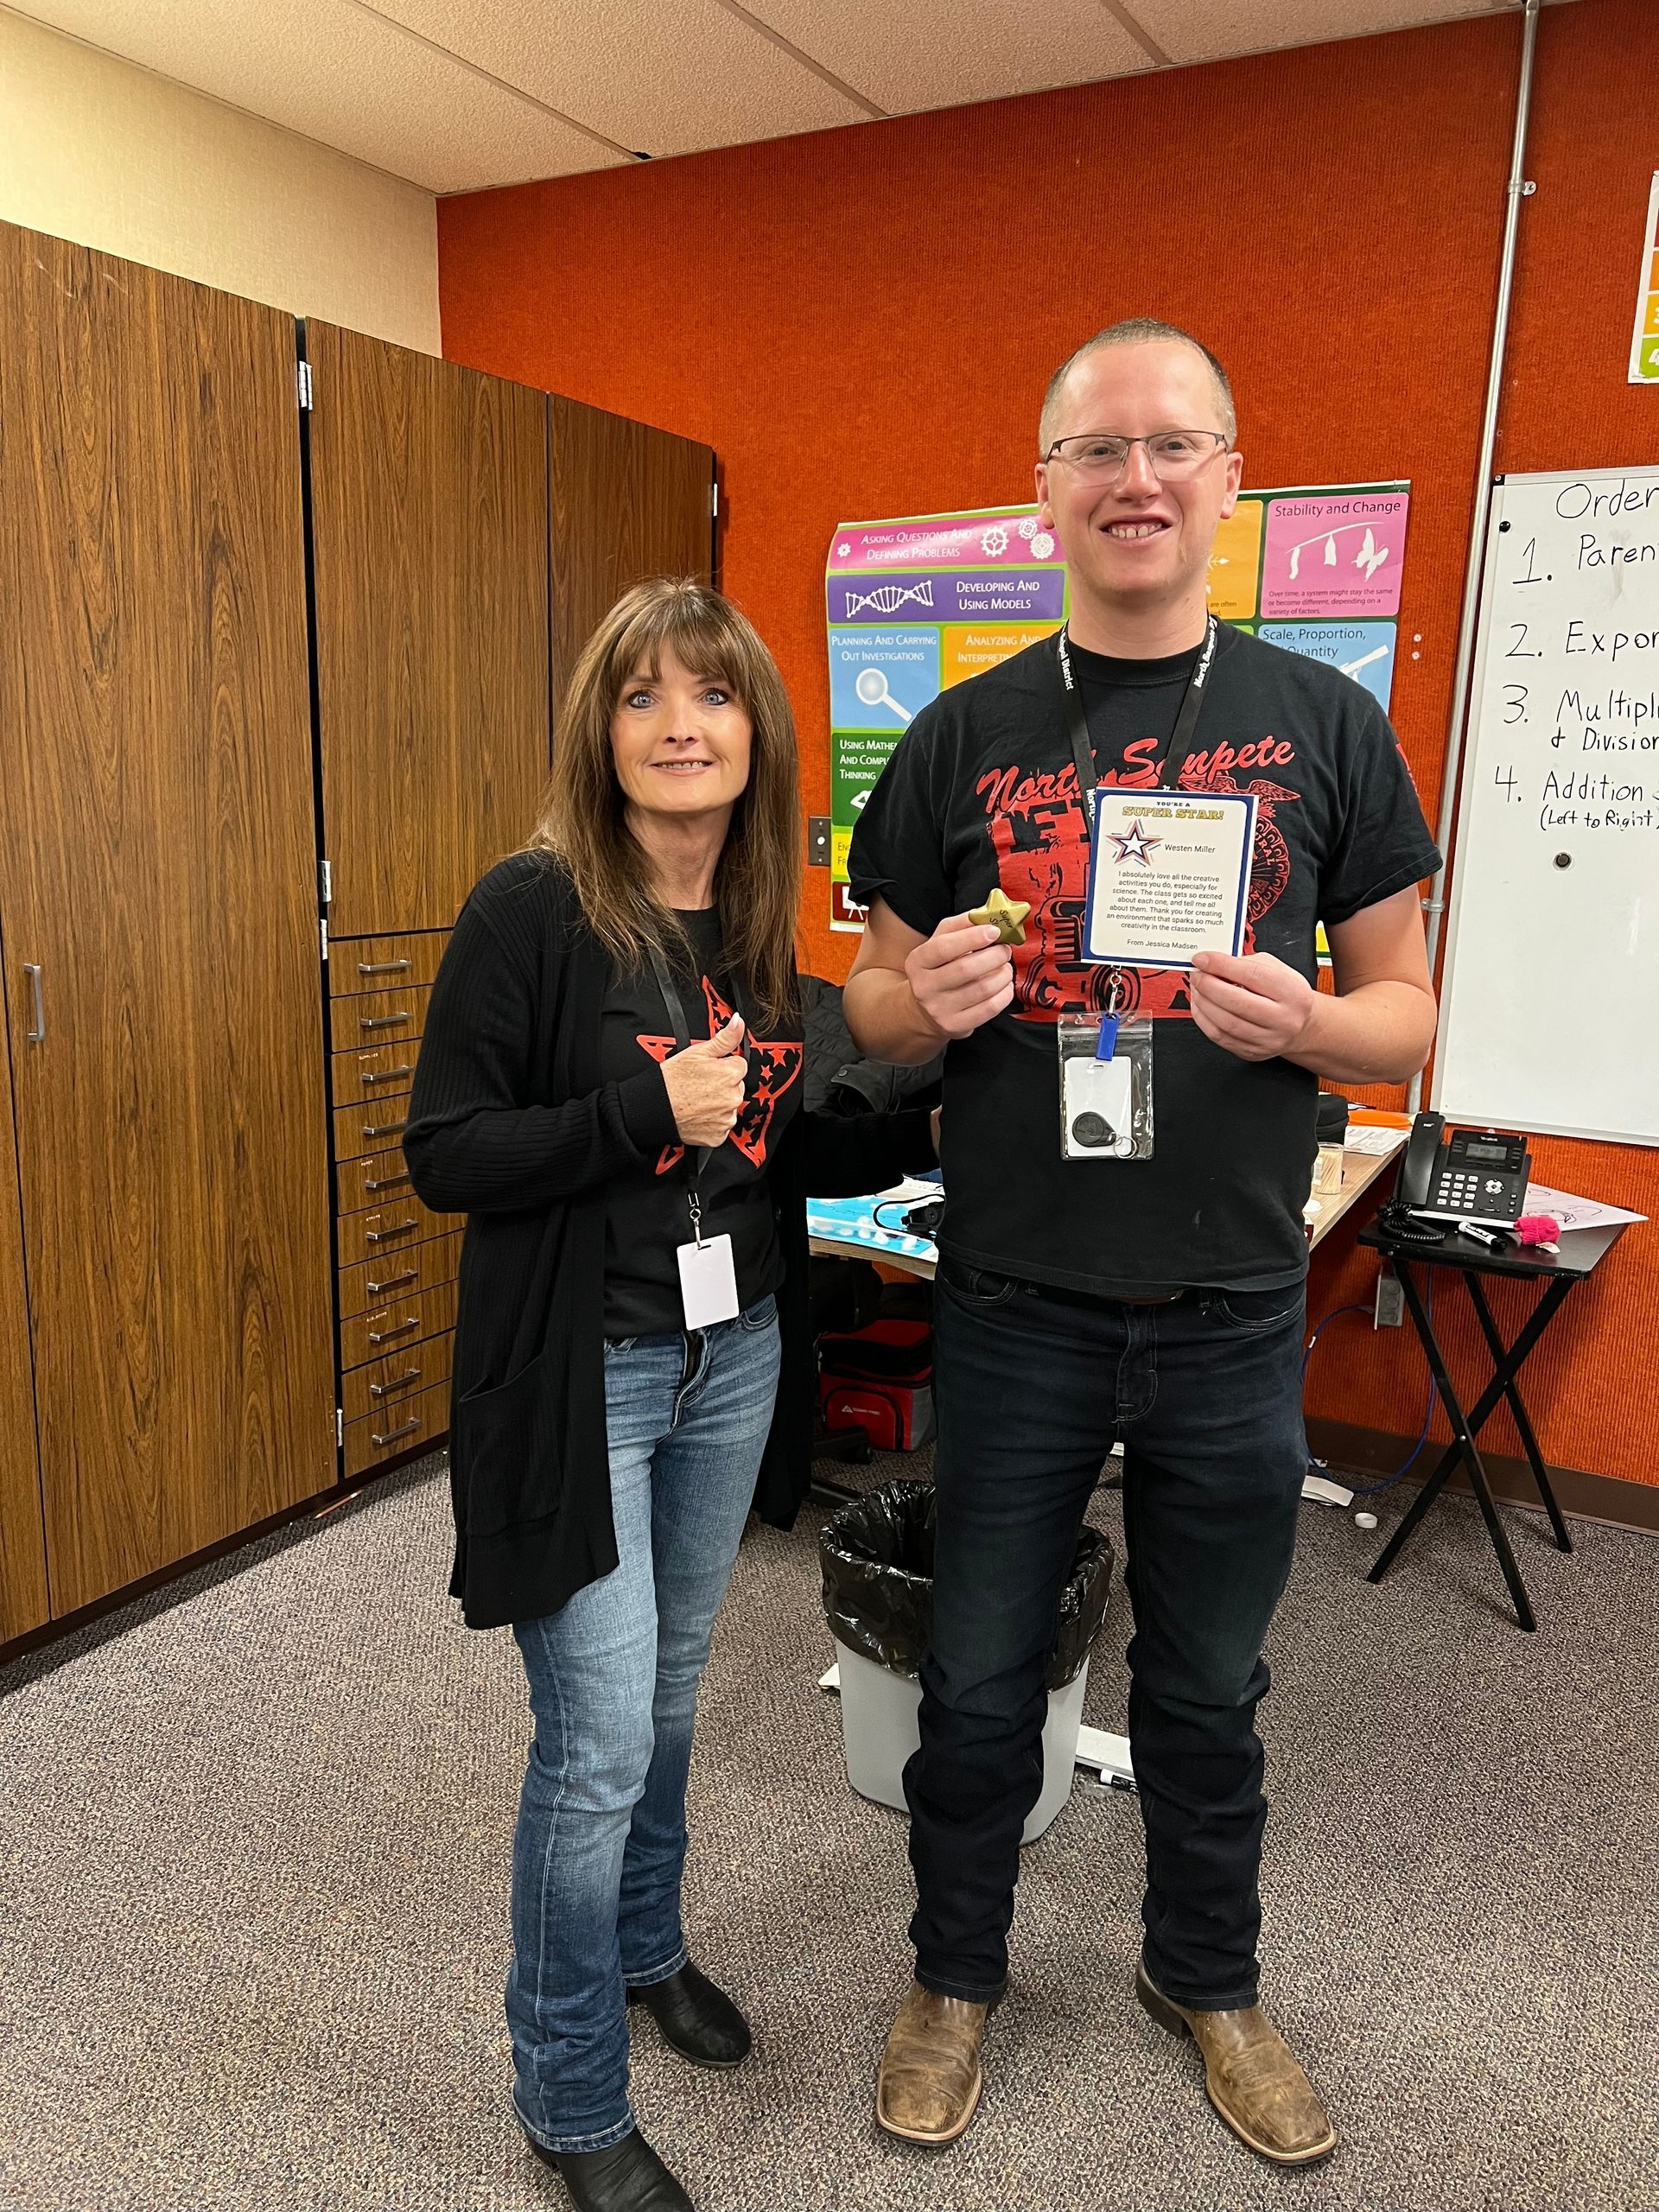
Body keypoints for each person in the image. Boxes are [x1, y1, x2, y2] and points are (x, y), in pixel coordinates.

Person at [843, 319, 1440, 2168]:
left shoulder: (1326, 721)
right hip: (1018, 1287)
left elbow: (1411, 1010)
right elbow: (863, 1004)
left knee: (1209, 1679)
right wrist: (919, 1001)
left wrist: (1310, 1028)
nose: (1136, 479)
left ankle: (1207, 1975)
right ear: (1044, 491)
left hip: (1238, 1297)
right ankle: (955, 1973)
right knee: (975, 1667)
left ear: (1227, 477)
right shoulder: (959, 733)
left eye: (1173, 445)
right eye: (1098, 451)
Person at [404, 580, 935, 2212]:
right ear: (602, 730)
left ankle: (646, 1946)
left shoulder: (751, 913)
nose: (680, 726)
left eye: (710, 697)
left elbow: (775, 1148)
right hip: (588, 1377)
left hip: (735, 1359)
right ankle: (567, 2093)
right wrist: (640, 1111)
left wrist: (933, 1085)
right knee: (595, 1739)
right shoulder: (534, 908)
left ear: (755, 733)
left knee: (673, 1697)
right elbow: (447, 1151)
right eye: (642, 698)